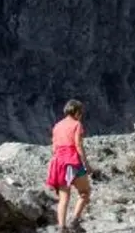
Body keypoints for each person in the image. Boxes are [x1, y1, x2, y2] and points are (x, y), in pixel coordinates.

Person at [46, 99, 92, 232]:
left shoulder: (57, 125)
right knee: (85, 192)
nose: (81, 115)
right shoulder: (77, 124)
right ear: (77, 112)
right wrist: (86, 164)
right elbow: (78, 144)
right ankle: (74, 221)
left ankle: (62, 227)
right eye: (81, 112)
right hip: (72, 161)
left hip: (58, 162)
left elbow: (54, 147)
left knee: (64, 197)